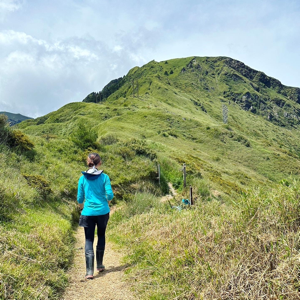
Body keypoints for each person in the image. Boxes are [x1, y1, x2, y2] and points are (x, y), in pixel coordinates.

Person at [77, 153, 114, 280]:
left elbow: (80, 198)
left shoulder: (82, 178)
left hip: (88, 213)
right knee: (101, 235)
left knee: (88, 240)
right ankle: (99, 265)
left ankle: (89, 271)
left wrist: (82, 208)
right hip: (103, 212)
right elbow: (110, 195)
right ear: (99, 163)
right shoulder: (104, 177)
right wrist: (107, 202)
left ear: (88, 162)